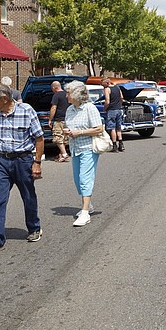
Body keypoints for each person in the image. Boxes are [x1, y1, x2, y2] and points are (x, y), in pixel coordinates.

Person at [0, 84, 44, 256]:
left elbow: (39, 138)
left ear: (5, 99)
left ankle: (34, 228)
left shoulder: (26, 110)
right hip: (2, 161)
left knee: (28, 196)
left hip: (23, 160)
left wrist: (36, 162)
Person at [63, 80, 103, 227]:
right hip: (75, 148)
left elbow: (99, 128)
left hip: (88, 147)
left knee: (85, 179)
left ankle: (85, 212)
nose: (66, 95)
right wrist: (68, 132)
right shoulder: (70, 110)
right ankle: (89, 205)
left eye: (68, 93)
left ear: (77, 94)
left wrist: (79, 132)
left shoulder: (89, 108)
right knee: (77, 180)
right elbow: (70, 126)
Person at [48, 80, 70, 162]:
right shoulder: (67, 94)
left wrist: (50, 119)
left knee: (57, 137)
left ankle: (64, 154)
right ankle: (61, 155)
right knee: (64, 138)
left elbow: (54, 107)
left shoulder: (56, 95)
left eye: (52, 88)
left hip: (59, 120)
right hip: (67, 119)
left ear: (54, 88)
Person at [103, 78, 125, 152]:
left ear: (107, 83)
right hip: (119, 109)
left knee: (112, 128)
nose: (102, 86)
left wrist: (105, 108)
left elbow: (107, 101)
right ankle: (121, 144)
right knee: (118, 128)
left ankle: (114, 145)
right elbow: (122, 97)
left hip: (111, 110)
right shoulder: (117, 87)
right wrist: (119, 104)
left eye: (103, 84)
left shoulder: (107, 89)